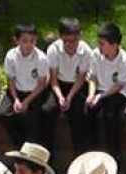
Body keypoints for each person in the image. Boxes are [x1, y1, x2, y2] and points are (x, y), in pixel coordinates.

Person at [44, 18, 92, 158]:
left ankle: (80, 158)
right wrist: (60, 97)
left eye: (74, 41)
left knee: (79, 115)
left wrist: (69, 97)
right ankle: (48, 158)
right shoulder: (53, 49)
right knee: (47, 111)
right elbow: (53, 79)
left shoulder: (86, 51)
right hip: (58, 85)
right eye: (66, 41)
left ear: (80, 37)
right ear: (61, 37)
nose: (70, 45)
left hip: (77, 87)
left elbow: (81, 78)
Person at [86, 23, 126, 162]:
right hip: (100, 90)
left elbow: (118, 85)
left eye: (102, 44)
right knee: (88, 110)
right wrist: (91, 95)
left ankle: (114, 155)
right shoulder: (96, 54)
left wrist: (100, 96)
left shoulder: (124, 61)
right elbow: (93, 77)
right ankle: (92, 152)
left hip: (118, 93)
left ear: (114, 45)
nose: (99, 47)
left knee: (110, 115)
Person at [0, 24, 49, 149]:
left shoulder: (41, 58)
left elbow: (41, 84)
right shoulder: (11, 56)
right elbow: (10, 79)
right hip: (16, 91)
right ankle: (18, 144)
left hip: (34, 93)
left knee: (33, 120)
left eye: (32, 41)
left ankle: (30, 148)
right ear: (16, 41)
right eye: (25, 41)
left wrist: (26, 101)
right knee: (3, 113)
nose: (29, 45)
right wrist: (16, 99)